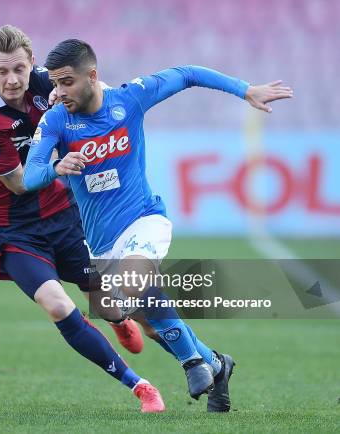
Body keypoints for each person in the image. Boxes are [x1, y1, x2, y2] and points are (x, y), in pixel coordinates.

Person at [23, 38, 293, 412]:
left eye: (67, 82)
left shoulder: (128, 99)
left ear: (92, 76)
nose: (59, 91)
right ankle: (216, 363)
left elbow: (186, 74)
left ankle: (193, 364)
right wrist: (57, 166)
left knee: (136, 281)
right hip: (102, 245)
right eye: (55, 83)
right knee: (149, 324)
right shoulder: (56, 120)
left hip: (145, 220)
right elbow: (31, 174)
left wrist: (245, 90)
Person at [0, 26, 165, 413]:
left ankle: (121, 320)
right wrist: (58, 166)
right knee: (56, 304)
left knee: (112, 305)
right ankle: (141, 387)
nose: (12, 80)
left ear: (32, 62)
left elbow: (92, 89)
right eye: (1, 72)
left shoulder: (48, 84)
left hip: (63, 216)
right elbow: (20, 184)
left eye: (19, 69)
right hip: (12, 229)